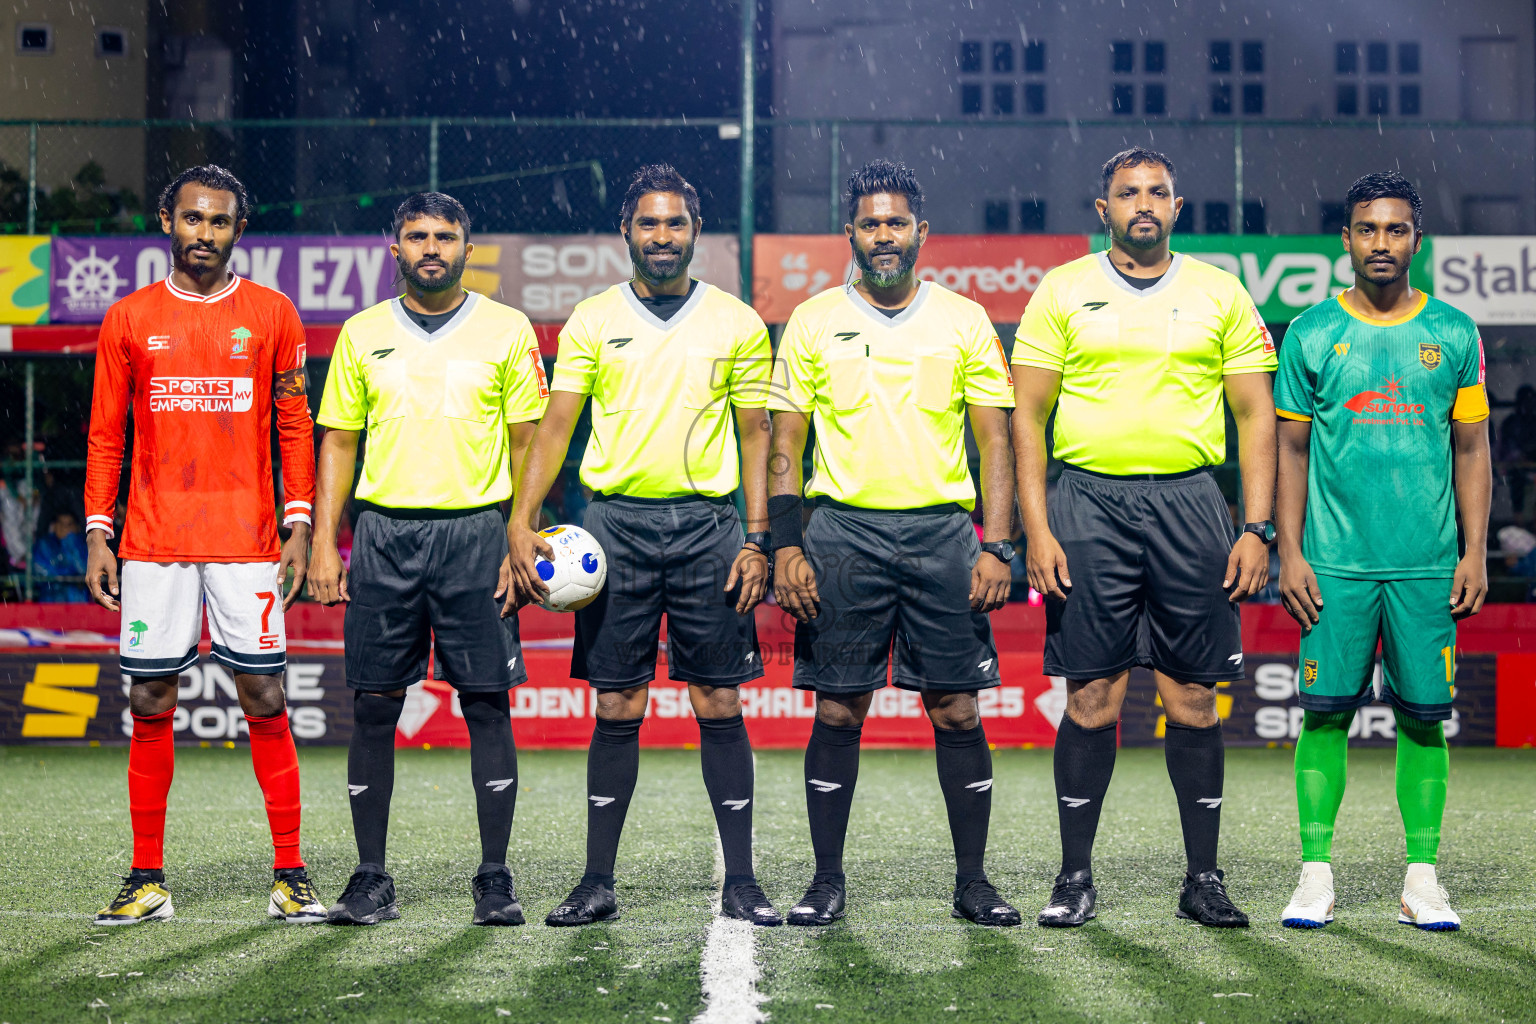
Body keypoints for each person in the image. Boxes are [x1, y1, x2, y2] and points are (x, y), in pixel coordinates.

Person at [1012, 148, 1276, 929]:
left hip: (1193, 505)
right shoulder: (1062, 290)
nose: (1144, 203)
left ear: (1178, 204)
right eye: (1128, 192)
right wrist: (1037, 527)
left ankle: (1203, 879)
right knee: (1092, 697)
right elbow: (1026, 416)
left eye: (1158, 190)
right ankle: (1074, 877)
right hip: (1087, 504)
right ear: (1104, 209)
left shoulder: (1220, 292)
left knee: (1193, 699)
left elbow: (1256, 416)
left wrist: (1255, 526)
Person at [507, 164, 778, 927]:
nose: (663, 237)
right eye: (650, 224)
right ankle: (597, 881)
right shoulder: (593, 318)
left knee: (717, 697)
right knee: (618, 700)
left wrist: (758, 539)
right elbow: (557, 426)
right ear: (626, 231)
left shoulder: (737, 321)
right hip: (613, 529)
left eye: (677, 224)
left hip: (707, 528)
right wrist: (522, 519)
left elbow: (756, 436)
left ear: (698, 233)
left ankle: (743, 880)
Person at [768, 160, 1021, 928]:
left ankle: (973, 882)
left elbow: (995, 442)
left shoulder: (965, 318)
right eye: (871, 223)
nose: (885, 236)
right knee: (839, 711)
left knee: (956, 712)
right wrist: (785, 547)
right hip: (841, 531)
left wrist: (998, 544)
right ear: (851, 232)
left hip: (943, 534)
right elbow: (785, 440)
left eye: (897, 223)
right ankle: (826, 881)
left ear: (921, 233)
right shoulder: (812, 320)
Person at [83, 164, 323, 925]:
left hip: (248, 541)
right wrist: (99, 532)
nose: (205, 234)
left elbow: (293, 425)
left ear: (238, 231)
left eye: (219, 222)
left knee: (264, 694)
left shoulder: (274, 315)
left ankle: (291, 872)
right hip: (153, 543)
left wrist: (300, 525)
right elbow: (105, 437)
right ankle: (146, 877)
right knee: (150, 697)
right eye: (193, 219)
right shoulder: (127, 319)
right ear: (167, 221)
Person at [310, 192, 547, 927]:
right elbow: (340, 443)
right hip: (384, 536)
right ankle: (371, 877)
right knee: (375, 705)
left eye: (446, 235)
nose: (432, 247)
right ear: (396, 248)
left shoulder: (508, 330)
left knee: (486, 705)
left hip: (477, 538)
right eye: (418, 236)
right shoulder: (361, 332)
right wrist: (323, 540)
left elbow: (527, 444)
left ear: (467, 247)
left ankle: (495, 877)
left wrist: (519, 534)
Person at [1275, 171, 1491, 931]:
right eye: (1368, 229)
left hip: (1428, 563)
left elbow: (1471, 449)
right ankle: (1314, 877)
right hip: (1332, 565)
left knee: (1425, 720)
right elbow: (1290, 452)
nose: (1381, 243)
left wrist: (1475, 552)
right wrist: (1290, 552)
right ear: (1346, 239)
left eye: (1396, 230)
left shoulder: (1457, 334)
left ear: (1416, 241)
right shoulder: (1311, 334)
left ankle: (1422, 880)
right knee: (1325, 717)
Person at [32, 509, 89, 602]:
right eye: (61, 523)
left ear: (77, 527)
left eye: (69, 524)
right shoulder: (44, 544)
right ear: (54, 526)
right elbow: (42, 572)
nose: (65, 528)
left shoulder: (84, 545)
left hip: (78, 602)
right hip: (50, 600)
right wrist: (71, 576)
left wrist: (69, 541)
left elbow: (84, 569)